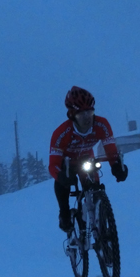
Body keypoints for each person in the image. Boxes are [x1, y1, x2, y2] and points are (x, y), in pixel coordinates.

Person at [49, 86, 128, 232]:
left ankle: (100, 222)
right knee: (62, 182)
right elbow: (53, 165)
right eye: (81, 115)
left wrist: (117, 166)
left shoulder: (101, 124)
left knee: (95, 188)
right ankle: (64, 213)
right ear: (72, 115)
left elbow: (111, 151)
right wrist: (60, 176)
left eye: (90, 113)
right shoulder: (61, 133)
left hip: (87, 159)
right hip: (66, 163)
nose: (87, 118)